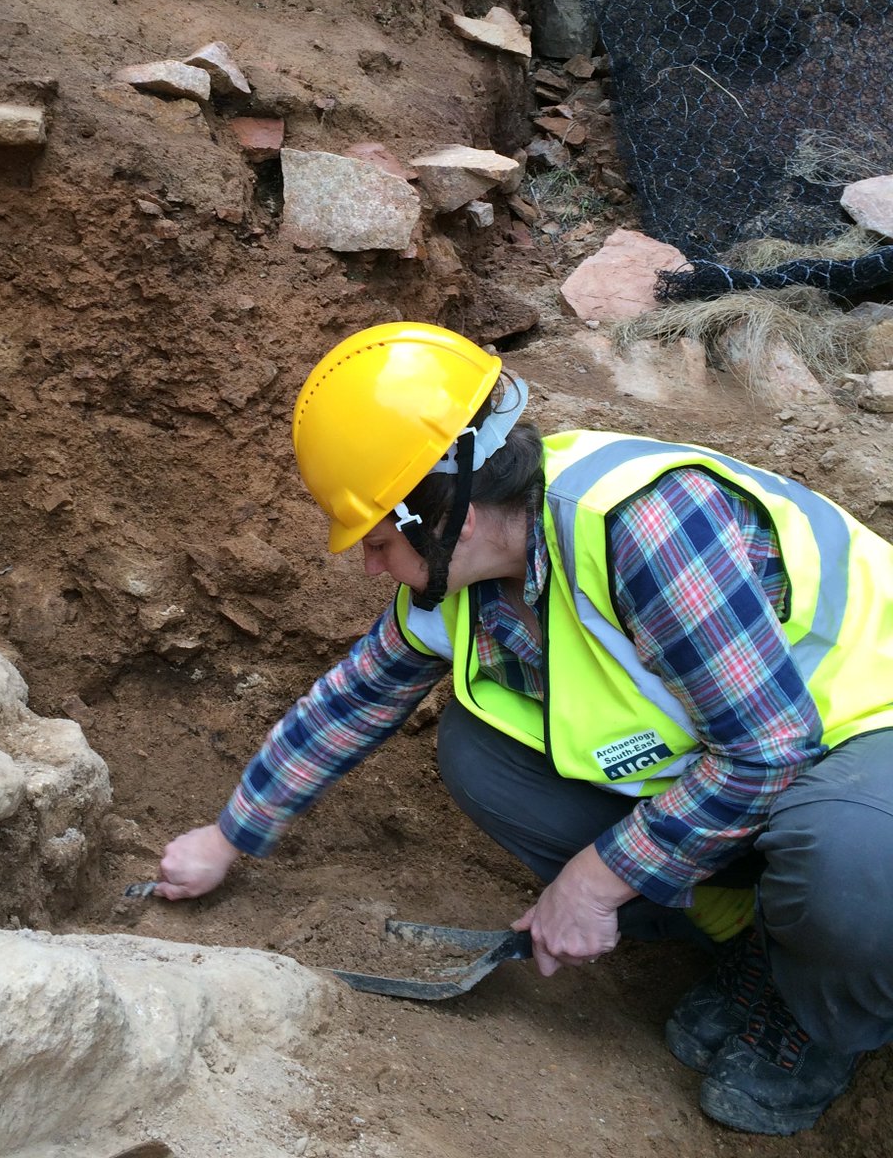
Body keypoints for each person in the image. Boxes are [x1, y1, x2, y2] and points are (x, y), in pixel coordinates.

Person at [154, 321, 893, 1136]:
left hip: (863, 738)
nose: (366, 566)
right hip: (756, 759)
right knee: (483, 755)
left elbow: (767, 751)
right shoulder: (463, 583)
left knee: (853, 869)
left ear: (448, 520)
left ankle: (822, 1015)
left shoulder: (640, 527)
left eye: (373, 540)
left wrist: (595, 878)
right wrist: (228, 838)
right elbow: (353, 701)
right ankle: (752, 943)